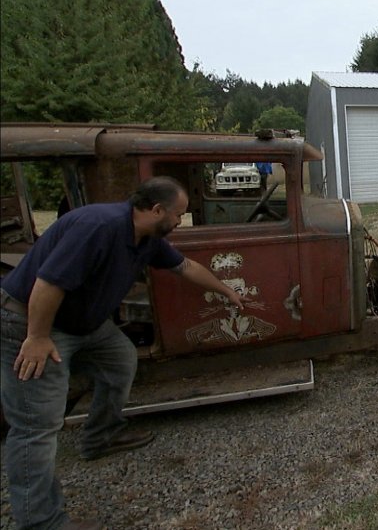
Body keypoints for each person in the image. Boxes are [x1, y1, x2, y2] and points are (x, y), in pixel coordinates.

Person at [1, 176, 246, 530]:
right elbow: (48, 282)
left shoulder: (146, 238)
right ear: (156, 210)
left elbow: (185, 267)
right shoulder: (98, 227)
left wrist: (226, 291)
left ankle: (101, 434)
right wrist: (37, 337)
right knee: (36, 427)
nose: (180, 222)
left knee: (120, 360)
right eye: (179, 215)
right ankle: (40, 522)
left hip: (82, 324)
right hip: (33, 322)